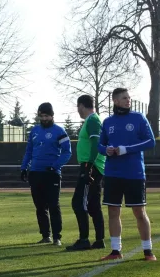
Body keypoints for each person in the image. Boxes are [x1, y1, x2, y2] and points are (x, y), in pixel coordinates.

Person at [98, 88, 156, 261]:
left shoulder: (138, 118)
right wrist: (106, 150)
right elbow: (100, 145)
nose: (128, 100)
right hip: (113, 173)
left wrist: (126, 149)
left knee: (139, 212)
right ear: (115, 101)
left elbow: (150, 141)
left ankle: (148, 251)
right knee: (113, 211)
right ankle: (116, 251)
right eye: (124, 98)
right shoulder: (108, 122)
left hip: (134, 173)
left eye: (129, 98)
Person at [20, 102, 72, 246]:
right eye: (41, 116)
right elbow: (29, 151)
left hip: (52, 174)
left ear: (52, 115)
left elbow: (67, 152)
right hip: (35, 173)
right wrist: (24, 168)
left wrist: (54, 166)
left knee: (54, 205)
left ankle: (57, 237)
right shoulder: (34, 131)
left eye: (47, 116)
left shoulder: (60, 131)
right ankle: (45, 235)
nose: (44, 119)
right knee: (40, 207)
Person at [66, 95, 106, 251]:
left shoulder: (92, 120)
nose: (78, 111)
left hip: (91, 166)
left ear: (81, 106)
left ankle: (84, 240)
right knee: (93, 204)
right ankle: (99, 240)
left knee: (78, 202)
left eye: (78, 108)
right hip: (93, 166)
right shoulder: (93, 120)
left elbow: (96, 143)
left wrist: (88, 165)